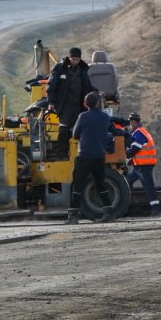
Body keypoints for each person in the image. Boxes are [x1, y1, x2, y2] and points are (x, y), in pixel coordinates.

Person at [66, 91, 117, 224]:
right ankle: (109, 213)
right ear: (97, 103)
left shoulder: (83, 116)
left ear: (85, 104)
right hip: (99, 156)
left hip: (84, 156)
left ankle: (73, 216)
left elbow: (75, 134)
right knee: (100, 184)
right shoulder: (105, 117)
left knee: (78, 185)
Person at [47, 47, 93, 150]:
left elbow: (88, 86)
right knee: (64, 128)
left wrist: (97, 91)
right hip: (64, 105)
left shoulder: (83, 69)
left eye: (77, 59)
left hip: (79, 105)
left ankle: (76, 151)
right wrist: (51, 101)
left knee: (77, 129)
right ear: (69, 57)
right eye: (73, 59)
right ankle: (62, 152)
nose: (75, 61)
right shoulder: (60, 68)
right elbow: (51, 85)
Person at [122, 112, 161, 216]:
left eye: (130, 122)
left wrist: (125, 154)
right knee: (127, 182)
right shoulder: (141, 131)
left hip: (144, 165)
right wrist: (131, 159)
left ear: (133, 122)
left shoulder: (139, 132)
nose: (130, 124)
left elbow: (136, 148)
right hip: (140, 166)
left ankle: (156, 209)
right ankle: (126, 205)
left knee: (148, 187)